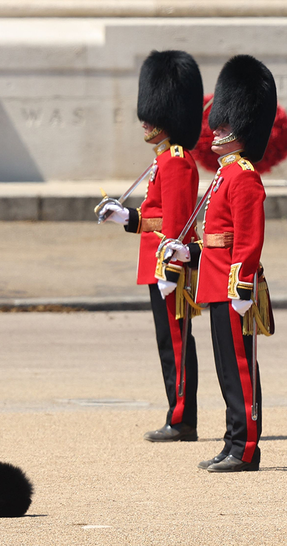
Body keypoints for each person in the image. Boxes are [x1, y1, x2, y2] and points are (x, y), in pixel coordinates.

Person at [163, 55, 276, 472]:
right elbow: (216, 238)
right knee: (226, 371)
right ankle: (233, 443)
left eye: (225, 125)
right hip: (214, 282)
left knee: (240, 370)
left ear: (241, 129)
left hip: (234, 287)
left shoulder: (244, 176)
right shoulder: (224, 176)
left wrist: (243, 284)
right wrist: (185, 252)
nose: (216, 129)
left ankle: (245, 448)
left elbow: (248, 238)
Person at [96, 50, 203, 442]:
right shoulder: (164, 160)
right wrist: (125, 217)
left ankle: (181, 419)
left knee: (174, 342)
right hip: (156, 262)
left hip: (167, 267)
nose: (146, 120)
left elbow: (175, 224)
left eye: (153, 113)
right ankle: (179, 415)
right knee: (168, 342)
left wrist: (170, 272)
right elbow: (156, 217)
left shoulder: (175, 161)